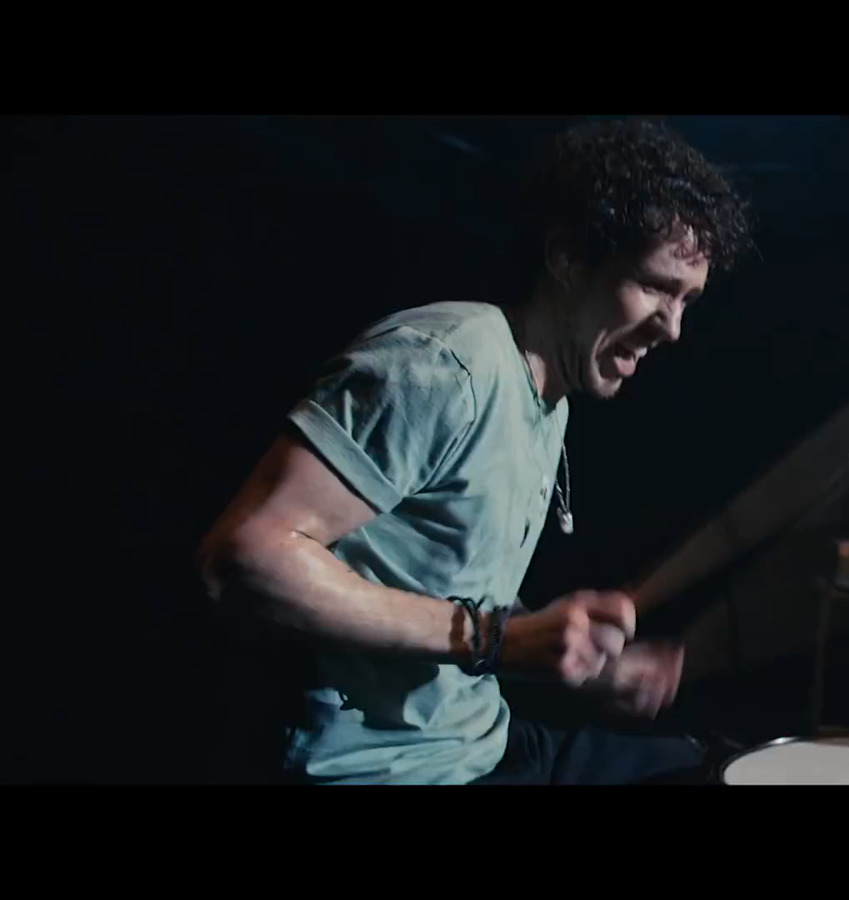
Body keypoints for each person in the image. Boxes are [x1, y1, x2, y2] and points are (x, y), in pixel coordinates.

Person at [196, 119, 756, 784]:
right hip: (380, 772)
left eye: (688, 300)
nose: (673, 327)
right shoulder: (443, 366)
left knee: (721, 768)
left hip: (482, 743)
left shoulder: (549, 397)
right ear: (570, 258)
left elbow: (445, 594)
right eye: (657, 286)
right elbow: (242, 557)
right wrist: (497, 640)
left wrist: (574, 658)